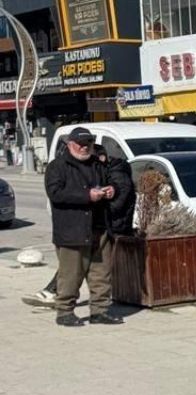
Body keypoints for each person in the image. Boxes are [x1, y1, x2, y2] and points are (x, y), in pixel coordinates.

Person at [45, 127, 121, 326]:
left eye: (88, 143)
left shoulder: (97, 164)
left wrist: (113, 189)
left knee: (101, 274)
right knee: (71, 275)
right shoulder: (57, 166)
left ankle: (100, 311)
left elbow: (113, 180)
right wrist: (87, 195)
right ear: (70, 144)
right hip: (72, 230)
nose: (84, 147)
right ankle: (64, 312)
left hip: (100, 227)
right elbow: (56, 194)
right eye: (80, 144)